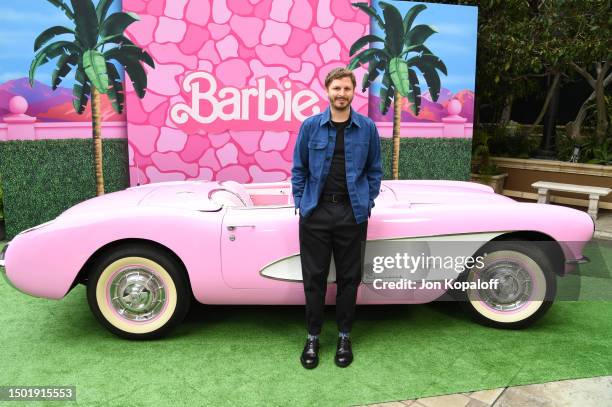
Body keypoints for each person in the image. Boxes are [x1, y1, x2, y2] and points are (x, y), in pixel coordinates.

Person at [291, 67, 383, 369]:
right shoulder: (310, 127)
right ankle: (313, 337)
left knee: (349, 279)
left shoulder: (367, 128)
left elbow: (374, 171)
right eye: (336, 89)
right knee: (314, 278)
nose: (341, 94)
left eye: (346, 89)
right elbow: (299, 170)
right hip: (315, 213)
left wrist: (367, 201)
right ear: (327, 91)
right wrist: (302, 203)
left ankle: (344, 336)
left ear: (353, 91)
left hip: (352, 213)